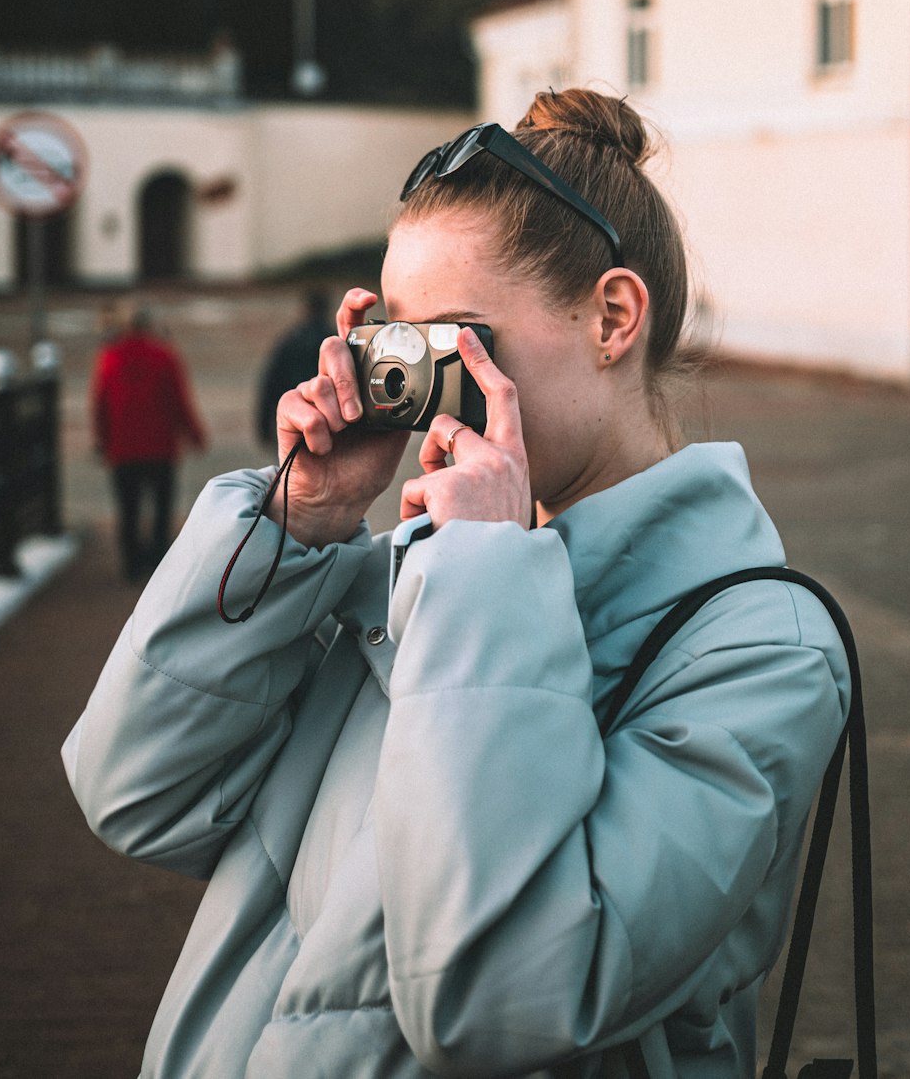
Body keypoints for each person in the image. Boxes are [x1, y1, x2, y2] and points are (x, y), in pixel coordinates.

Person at [64, 89, 850, 1078]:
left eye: (456, 342)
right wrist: (298, 524)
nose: (419, 387)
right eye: (400, 343)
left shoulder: (759, 649)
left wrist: (480, 582)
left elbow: (502, 1002)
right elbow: (138, 794)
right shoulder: (405, 577)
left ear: (613, 316)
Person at [90, 298, 207, 582]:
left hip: (123, 448)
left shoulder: (110, 357)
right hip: (160, 446)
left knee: (128, 508)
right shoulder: (164, 356)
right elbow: (179, 400)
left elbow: (100, 403)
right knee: (161, 507)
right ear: (149, 326)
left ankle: (131, 563)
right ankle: (158, 561)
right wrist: (195, 434)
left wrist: (101, 439)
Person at [255, 286, 333, 447]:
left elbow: (270, 383)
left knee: (292, 468)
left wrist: (263, 425)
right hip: (329, 421)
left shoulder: (290, 341)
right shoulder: (336, 341)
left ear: (306, 308)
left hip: (293, 417)